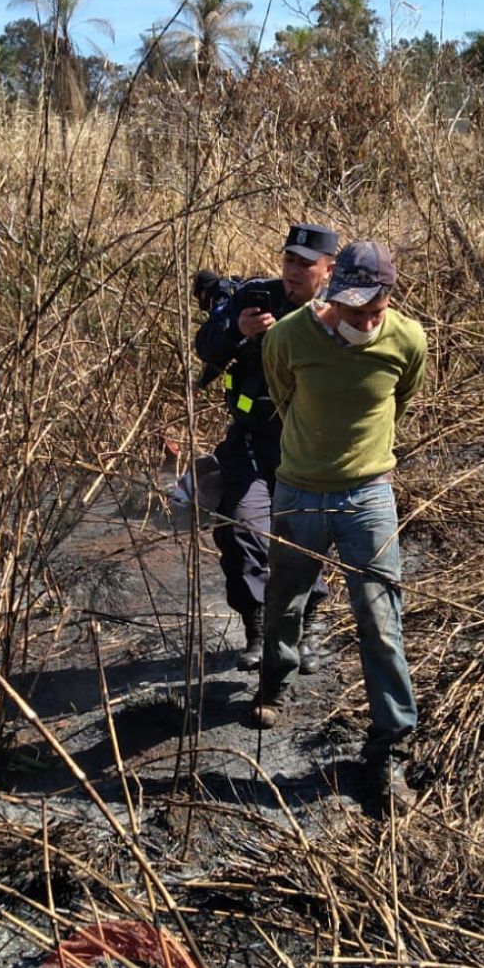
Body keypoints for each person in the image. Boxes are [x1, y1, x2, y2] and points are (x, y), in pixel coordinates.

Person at [250, 239, 427, 807]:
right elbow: (282, 395)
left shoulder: (408, 339)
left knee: (381, 620)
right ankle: (275, 677)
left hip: (368, 496)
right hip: (299, 490)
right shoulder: (288, 335)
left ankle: (390, 748)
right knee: (285, 598)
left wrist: (362, 458)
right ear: (331, 294)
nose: (365, 323)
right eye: (354, 312)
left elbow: (399, 400)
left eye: (375, 312)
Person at [194, 225, 338, 669]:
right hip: (252, 441)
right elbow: (206, 345)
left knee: (306, 540)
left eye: (305, 264)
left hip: (311, 448)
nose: (293, 271)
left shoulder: (339, 312)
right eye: (289, 260)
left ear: (328, 270)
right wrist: (237, 328)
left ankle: (305, 629)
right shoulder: (254, 297)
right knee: (238, 526)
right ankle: (257, 627)